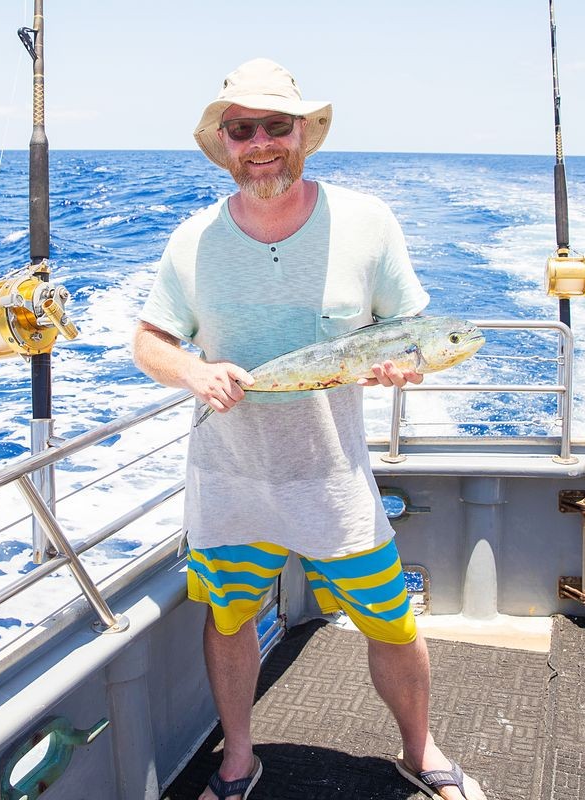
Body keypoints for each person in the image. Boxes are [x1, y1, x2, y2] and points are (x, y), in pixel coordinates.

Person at [132, 58, 486, 800]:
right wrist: (195, 374)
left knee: (391, 623)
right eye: (242, 128)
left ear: (305, 134)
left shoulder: (366, 221)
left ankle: (421, 751)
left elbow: (407, 329)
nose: (261, 142)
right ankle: (237, 756)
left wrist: (402, 366)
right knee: (229, 621)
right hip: (230, 480)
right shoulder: (193, 240)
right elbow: (150, 343)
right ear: (225, 142)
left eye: (276, 126)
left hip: (333, 479)